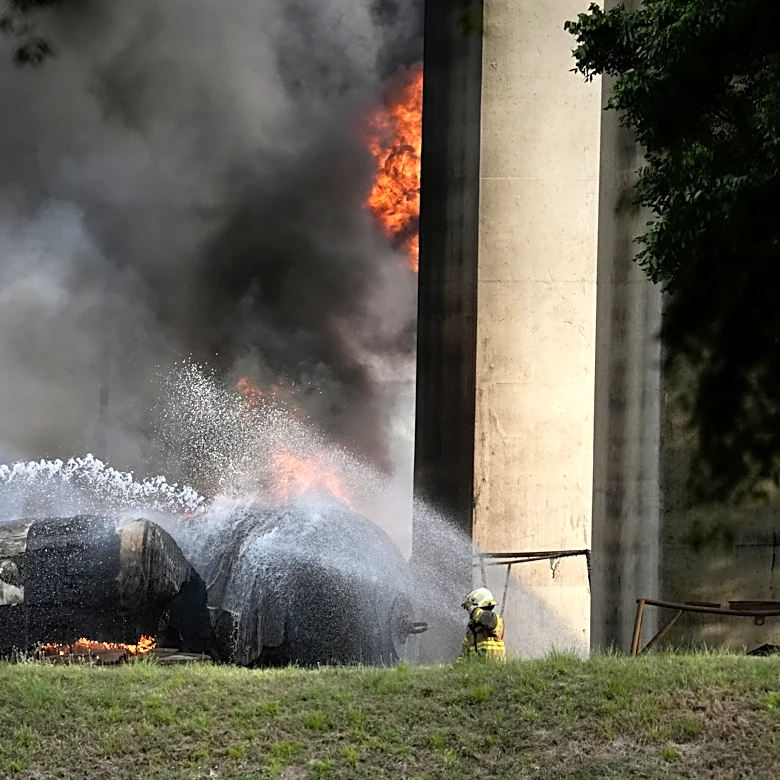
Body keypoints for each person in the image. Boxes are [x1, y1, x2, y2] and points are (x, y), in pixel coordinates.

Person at [459, 587, 506, 661]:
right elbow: (463, 656)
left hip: (496, 670)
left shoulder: (496, 620)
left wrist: (473, 609)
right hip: (477, 671)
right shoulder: (471, 630)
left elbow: (487, 620)